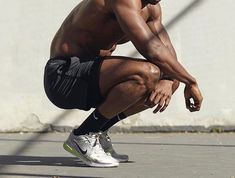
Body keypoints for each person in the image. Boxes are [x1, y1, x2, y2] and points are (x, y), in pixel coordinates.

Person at [44, 0, 203, 168]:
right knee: (148, 73)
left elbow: (165, 50)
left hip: (92, 77)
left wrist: (171, 80)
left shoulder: (151, 9)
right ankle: (83, 135)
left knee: (169, 81)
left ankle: (99, 129)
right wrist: (191, 82)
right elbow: (152, 49)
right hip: (63, 77)